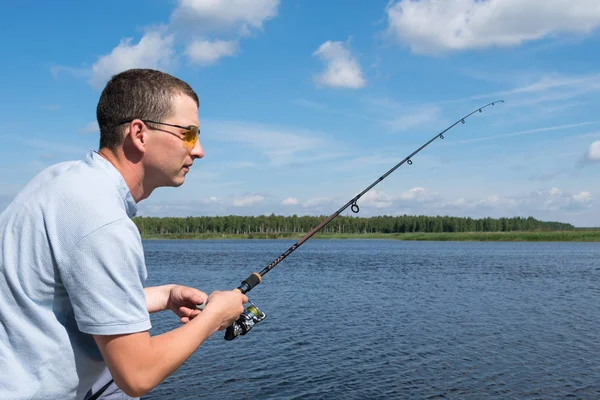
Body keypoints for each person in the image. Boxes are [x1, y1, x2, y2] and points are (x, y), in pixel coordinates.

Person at [0, 68, 248, 399]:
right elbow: (138, 374)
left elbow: (61, 298)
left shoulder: (60, 179)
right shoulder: (104, 223)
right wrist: (215, 315)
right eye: (188, 134)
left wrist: (165, 295)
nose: (199, 149)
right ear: (139, 134)